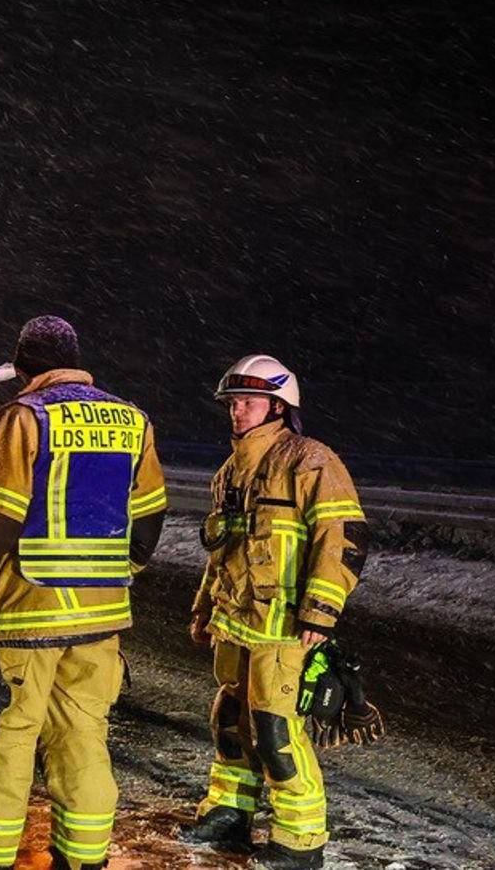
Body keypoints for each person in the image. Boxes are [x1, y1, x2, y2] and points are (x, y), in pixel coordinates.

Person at [0, 316, 167, 870]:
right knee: (82, 735)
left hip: (29, 614)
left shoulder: (24, 418)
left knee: (5, 734)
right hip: (101, 621)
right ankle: (83, 857)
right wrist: (103, 574)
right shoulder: (134, 422)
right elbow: (147, 526)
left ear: (23, 367)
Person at [179, 355, 366, 870]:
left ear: (279, 405)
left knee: (276, 731)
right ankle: (229, 813)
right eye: (232, 402)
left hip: (284, 628)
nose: (236, 411)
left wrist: (320, 613)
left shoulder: (310, 462)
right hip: (236, 621)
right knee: (231, 719)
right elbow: (223, 552)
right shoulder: (231, 469)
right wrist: (202, 608)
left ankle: (300, 842)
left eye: (248, 402)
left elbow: (343, 540)